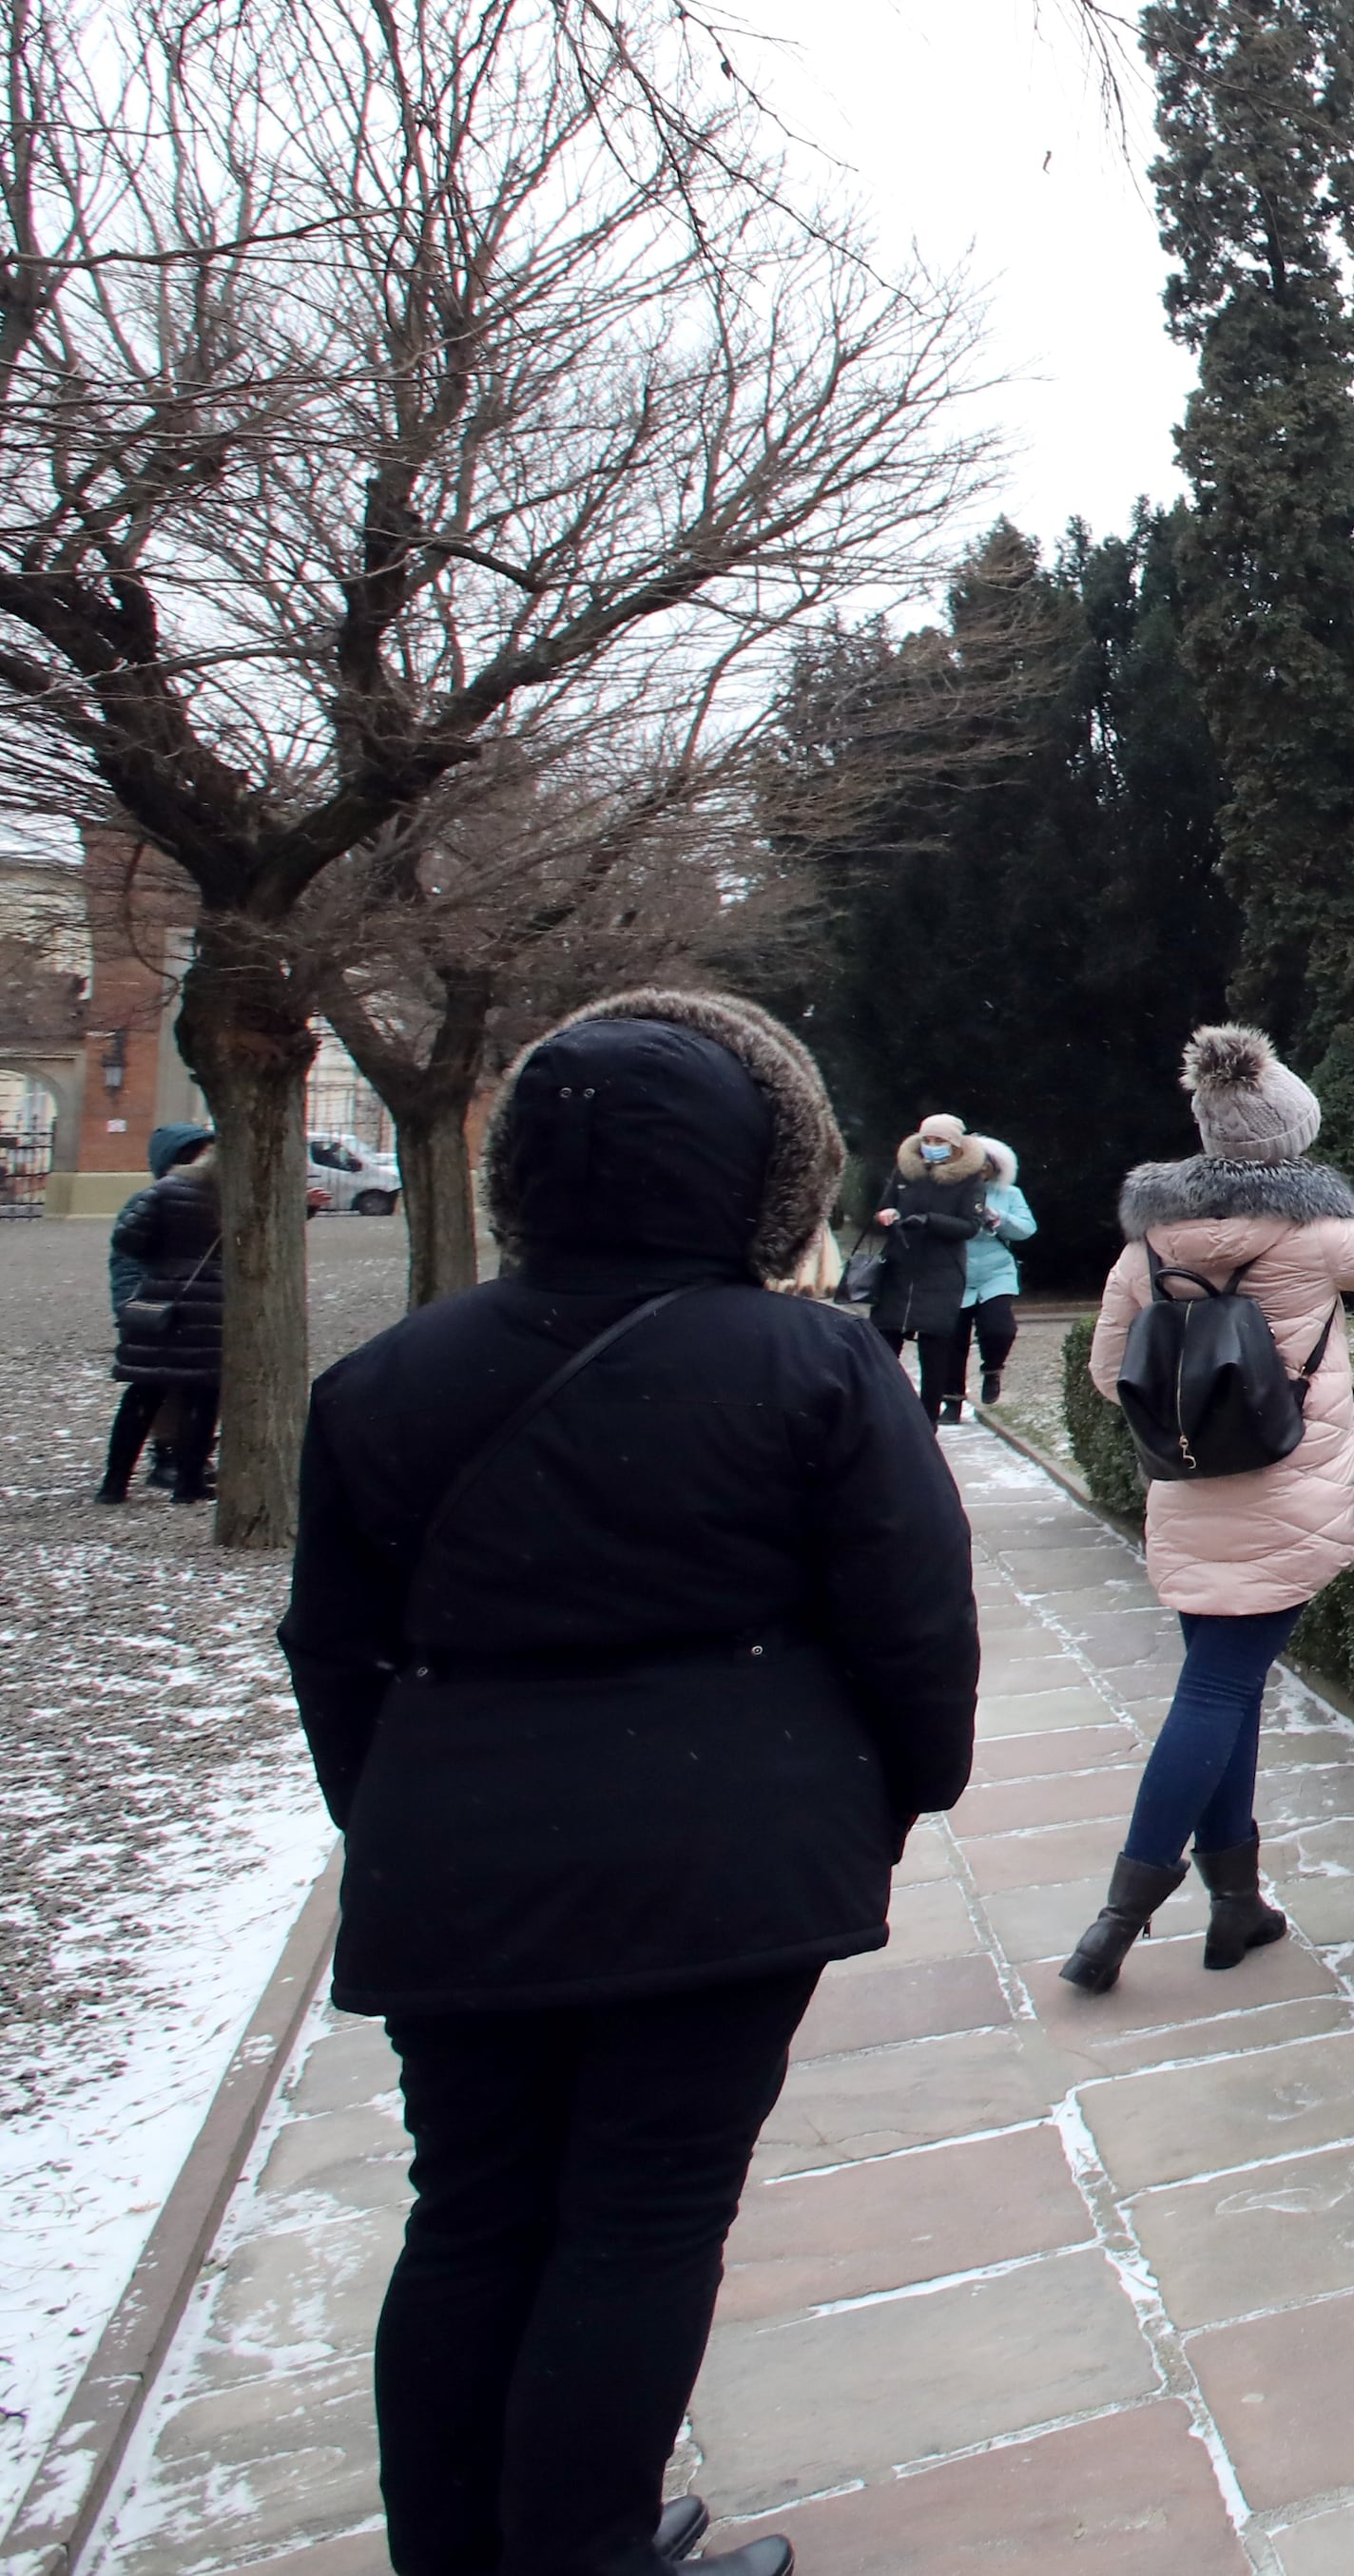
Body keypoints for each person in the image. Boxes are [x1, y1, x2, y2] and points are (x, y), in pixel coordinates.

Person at [280, 989, 977, 2576]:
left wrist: (411, 1817)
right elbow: (914, 1620)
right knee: (641, 2213)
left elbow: (335, 1649)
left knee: (471, 2213)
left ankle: (459, 2551)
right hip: (721, 1860)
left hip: (458, 1863)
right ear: (759, 1175)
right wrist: (893, 1796)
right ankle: (586, 2546)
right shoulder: (811, 1363)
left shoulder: (388, 1379)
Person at [1068, 1027, 1354, 1990]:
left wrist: (1202, 1392)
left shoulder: (1148, 1240)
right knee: (1215, 1691)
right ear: (1292, 1129)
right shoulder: (1315, 1235)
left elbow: (1108, 1374)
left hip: (1194, 1484)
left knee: (1225, 1683)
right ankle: (1118, 1916)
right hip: (1288, 1491)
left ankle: (1235, 1903)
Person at [100, 1122, 222, 1504]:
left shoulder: (160, 1193)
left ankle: (115, 1484)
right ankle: (187, 1483)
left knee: (144, 1392)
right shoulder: (229, 1196)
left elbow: (127, 1242)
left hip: (160, 1305)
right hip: (212, 1306)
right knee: (202, 1396)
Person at [865, 1112, 990, 1420]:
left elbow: (970, 1226)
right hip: (899, 1266)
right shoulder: (905, 1172)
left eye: (939, 1141)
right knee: (883, 1344)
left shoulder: (969, 1179)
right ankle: (880, 1410)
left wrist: (931, 1222)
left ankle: (928, 1416)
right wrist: (886, 1216)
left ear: (954, 1145)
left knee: (934, 1349)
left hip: (941, 1271)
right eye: (927, 1141)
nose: (931, 1146)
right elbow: (883, 1206)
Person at [960, 1133, 1037, 1409]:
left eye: (986, 1163)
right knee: (952, 1338)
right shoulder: (954, 1192)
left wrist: (998, 1218)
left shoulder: (1009, 1194)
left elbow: (1027, 1229)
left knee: (999, 1328)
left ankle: (993, 1369)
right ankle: (952, 1397)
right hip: (957, 1271)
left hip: (996, 1270)